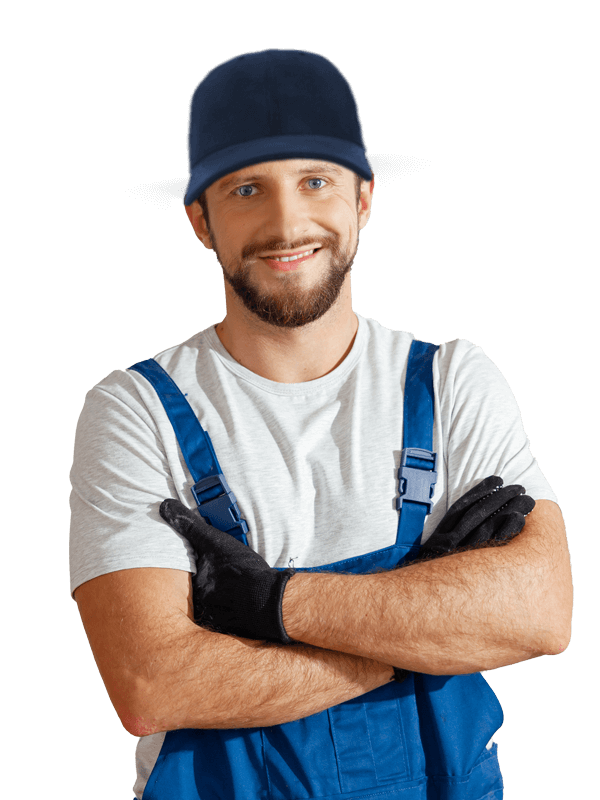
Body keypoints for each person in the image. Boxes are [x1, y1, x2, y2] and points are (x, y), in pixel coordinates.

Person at [70, 49, 572, 799]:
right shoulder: (134, 409)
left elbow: (542, 615)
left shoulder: (452, 380)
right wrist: (425, 625)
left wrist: (270, 606)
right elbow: (151, 684)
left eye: (316, 180)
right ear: (199, 220)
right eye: (247, 190)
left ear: (363, 199)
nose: (286, 223)